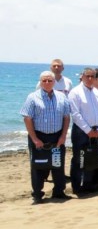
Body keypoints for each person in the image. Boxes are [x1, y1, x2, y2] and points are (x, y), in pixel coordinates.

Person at [21, 71, 72, 203]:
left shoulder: (61, 97)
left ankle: (59, 192)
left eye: (50, 80)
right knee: (37, 166)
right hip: (39, 136)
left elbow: (66, 117)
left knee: (58, 164)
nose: (47, 83)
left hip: (57, 136)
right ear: (40, 82)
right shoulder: (32, 97)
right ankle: (37, 194)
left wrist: (63, 136)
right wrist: (34, 139)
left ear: (54, 82)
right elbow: (27, 118)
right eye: (44, 80)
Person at [68, 67, 98, 193]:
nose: (90, 79)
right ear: (82, 76)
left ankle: (88, 184)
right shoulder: (75, 92)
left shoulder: (97, 92)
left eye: (92, 76)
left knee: (92, 158)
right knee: (79, 159)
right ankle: (77, 187)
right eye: (87, 76)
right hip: (81, 132)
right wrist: (87, 130)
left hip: (96, 131)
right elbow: (75, 114)